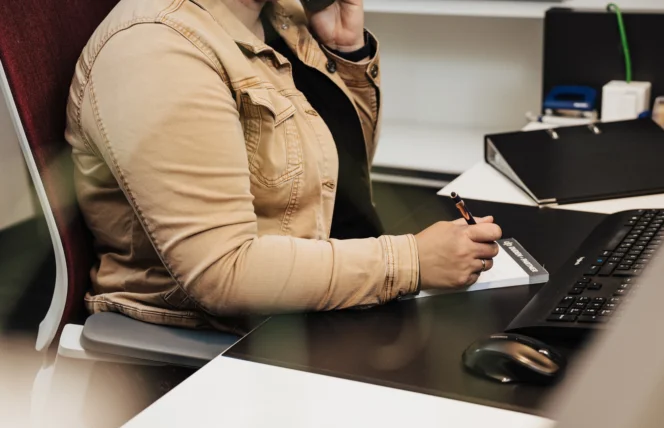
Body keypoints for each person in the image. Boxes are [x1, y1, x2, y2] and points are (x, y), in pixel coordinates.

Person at [65, 0, 501, 333]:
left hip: (336, 300)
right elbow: (224, 273)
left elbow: (335, 183)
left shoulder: (280, 15)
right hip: (236, 342)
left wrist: (345, 52)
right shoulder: (156, 49)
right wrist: (412, 262)